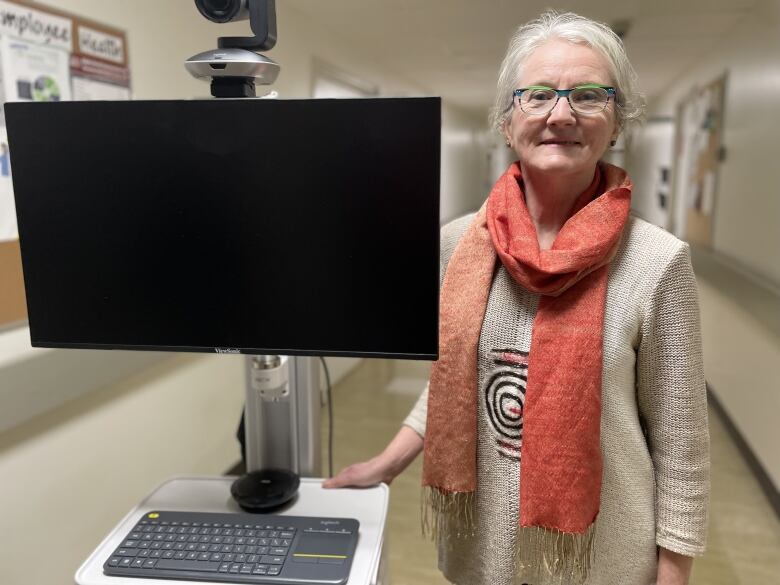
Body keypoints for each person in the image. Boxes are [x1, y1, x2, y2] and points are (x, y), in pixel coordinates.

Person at [324, 11, 709, 585]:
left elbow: (681, 445)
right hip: (483, 552)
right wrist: (387, 463)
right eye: (538, 95)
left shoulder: (658, 262)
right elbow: (455, 381)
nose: (561, 114)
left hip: (600, 556)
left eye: (587, 95)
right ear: (508, 120)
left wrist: (673, 573)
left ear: (617, 122)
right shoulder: (458, 243)